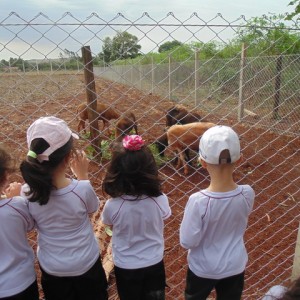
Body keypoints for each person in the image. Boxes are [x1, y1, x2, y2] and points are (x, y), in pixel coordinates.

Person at [19, 116, 108, 300]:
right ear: (69, 157)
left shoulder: (27, 192)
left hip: (53, 269)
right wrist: (83, 176)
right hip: (87, 265)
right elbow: (93, 208)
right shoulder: (81, 189)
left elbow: (28, 225)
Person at [180, 125, 255, 300]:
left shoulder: (198, 201)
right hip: (235, 265)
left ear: (202, 162)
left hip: (203, 268)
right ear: (240, 159)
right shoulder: (247, 193)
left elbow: (187, 241)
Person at [101, 134, 171, 300]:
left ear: (115, 172)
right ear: (151, 170)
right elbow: (165, 216)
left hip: (126, 265)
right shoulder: (159, 199)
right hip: (154, 262)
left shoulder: (114, 205)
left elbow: (108, 224)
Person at [0, 145, 39, 300]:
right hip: (22, 281)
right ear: (5, 175)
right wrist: (14, 199)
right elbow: (29, 225)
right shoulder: (15, 205)